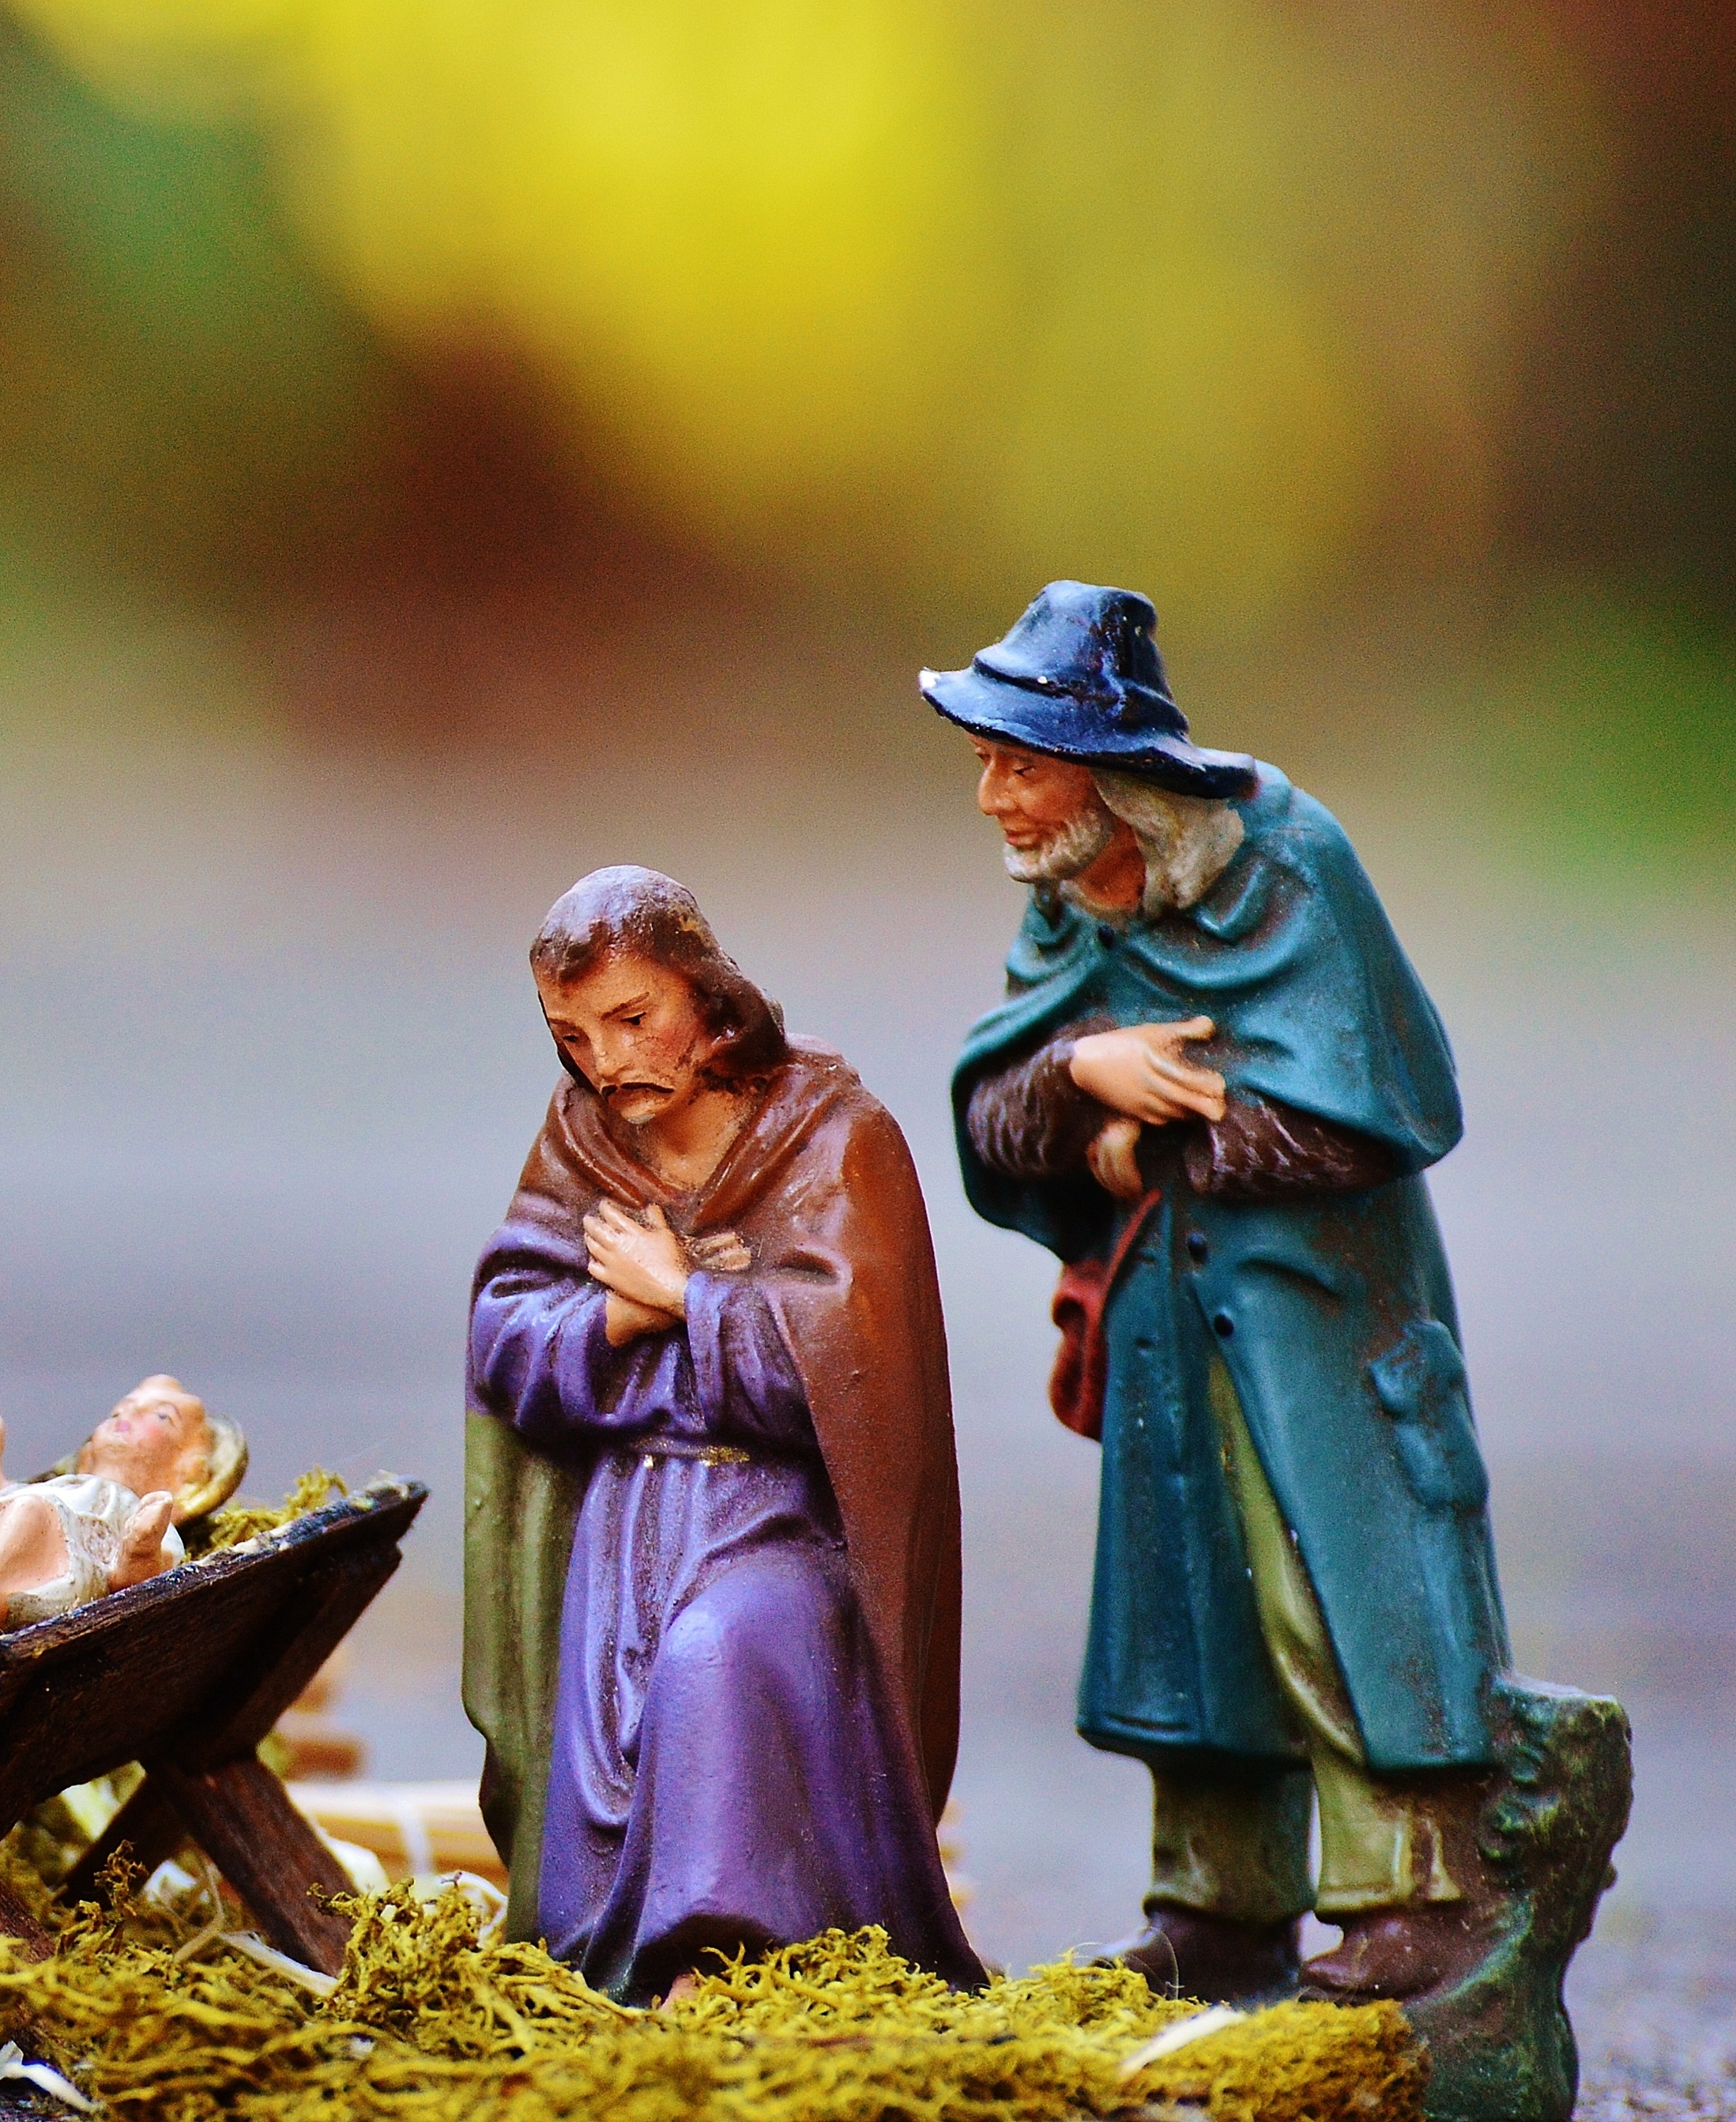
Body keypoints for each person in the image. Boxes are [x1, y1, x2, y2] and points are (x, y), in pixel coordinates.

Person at [928, 584, 1626, 2109]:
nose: (991, 797)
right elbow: (995, 1111)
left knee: (1340, 1604)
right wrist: (1085, 1073)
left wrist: (1161, 1133)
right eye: (985, 762)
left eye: (1017, 765)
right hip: (1168, 1329)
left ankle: (1404, 1905)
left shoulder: (1288, 870)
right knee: (1188, 1615)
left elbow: (1380, 1108)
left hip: (1319, 1333)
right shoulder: (1065, 903)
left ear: (1107, 775)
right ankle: (1215, 1907)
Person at [466, 868, 977, 2004]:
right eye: (573, 1036)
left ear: (705, 993)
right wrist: (615, 1317)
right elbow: (504, 1334)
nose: (608, 1062)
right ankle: (610, 1969)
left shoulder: (832, 1137)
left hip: (778, 1528)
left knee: (716, 1657)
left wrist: (683, 1292)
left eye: (632, 1019)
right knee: (617, 1719)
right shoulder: (581, 1142)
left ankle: (722, 1957)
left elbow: (860, 1379)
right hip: (625, 1533)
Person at [0, 1378, 248, 1635]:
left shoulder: (139, 1509)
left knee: (30, 1509)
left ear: (189, 1473)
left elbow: (137, 1586)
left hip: (62, 1578)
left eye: (161, 1417)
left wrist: (140, 1547)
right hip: (15, 1529)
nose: (125, 1418)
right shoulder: (62, 1488)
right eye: (120, 1411)